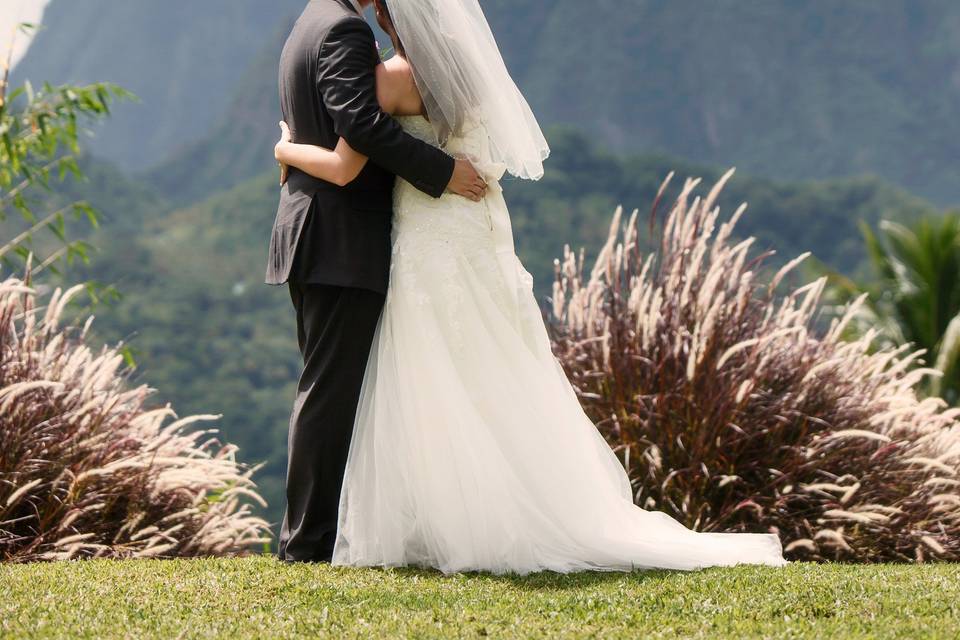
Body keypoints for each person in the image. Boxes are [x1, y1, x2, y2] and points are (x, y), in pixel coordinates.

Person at [274, 0, 788, 574]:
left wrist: (286, 148)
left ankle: (370, 531)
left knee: (411, 369)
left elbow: (350, 149)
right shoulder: (463, 77)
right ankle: (468, 512)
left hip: (409, 229)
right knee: (478, 363)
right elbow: (372, 137)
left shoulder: (349, 51)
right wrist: (444, 170)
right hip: (458, 228)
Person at [265, 0, 488, 564]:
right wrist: (442, 171)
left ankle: (316, 537)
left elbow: (338, 124)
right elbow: (358, 124)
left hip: (315, 233)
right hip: (339, 238)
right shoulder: (343, 29)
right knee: (329, 394)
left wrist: (285, 149)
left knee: (328, 390)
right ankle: (306, 545)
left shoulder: (307, 24)